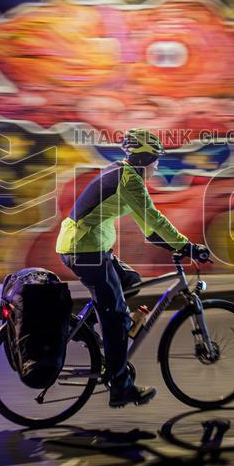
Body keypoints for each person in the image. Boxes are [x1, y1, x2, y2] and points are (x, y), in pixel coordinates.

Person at [56, 129, 210, 408]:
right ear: (147, 156)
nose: (158, 164)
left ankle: (85, 328)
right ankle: (120, 386)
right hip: (84, 250)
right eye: (156, 158)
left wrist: (174, 244)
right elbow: (153, 222)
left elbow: (151, 227)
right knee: (115, 316)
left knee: (130, 281)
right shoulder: (130, 180)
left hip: (89, 246)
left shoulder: (121, 171)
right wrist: (187, 247)